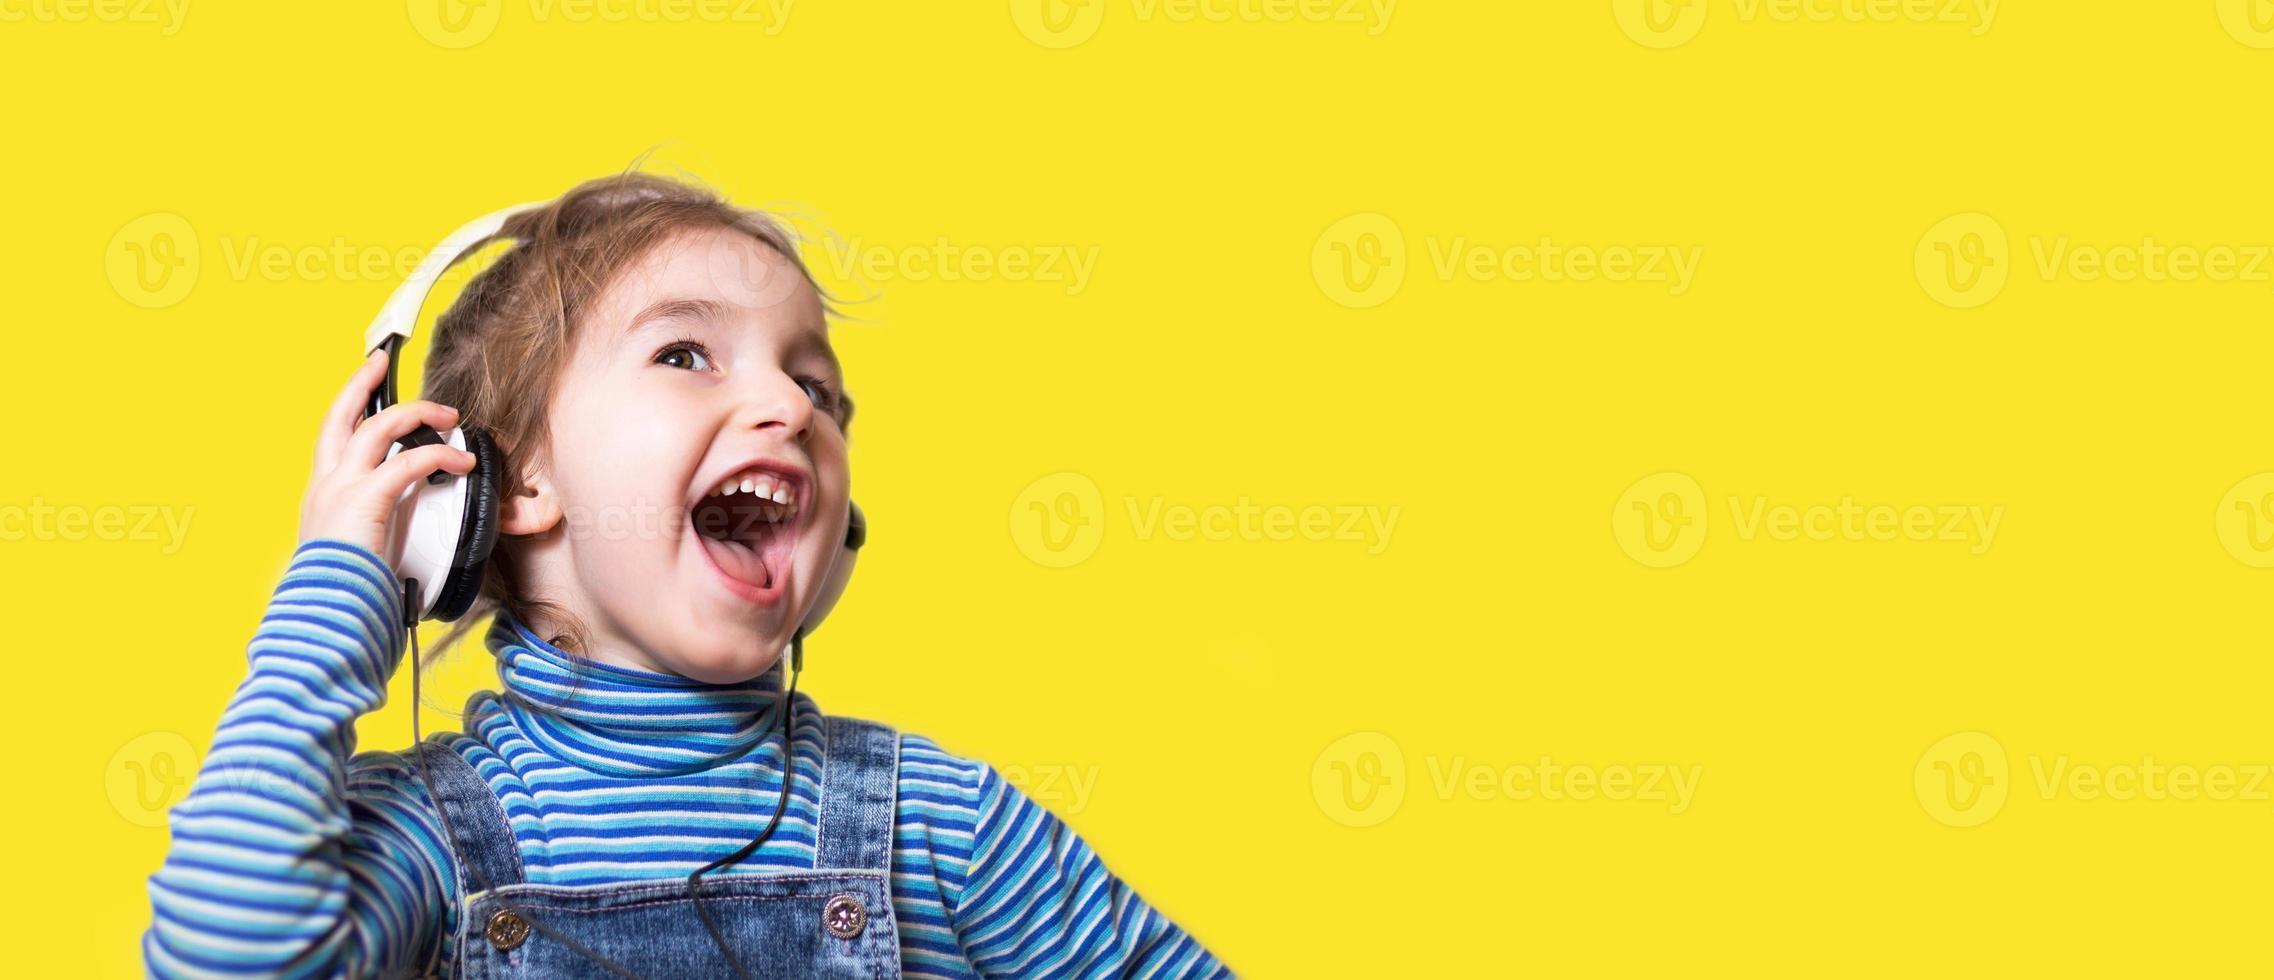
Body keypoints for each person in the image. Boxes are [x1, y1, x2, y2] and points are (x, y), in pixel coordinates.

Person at [140, 170, 1231, 978]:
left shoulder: (936, 819)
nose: (792, 406)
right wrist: (338, 589)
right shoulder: (439, 831)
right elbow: (227, 957)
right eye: (684, 354)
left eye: (817, 383)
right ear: (504, 489)